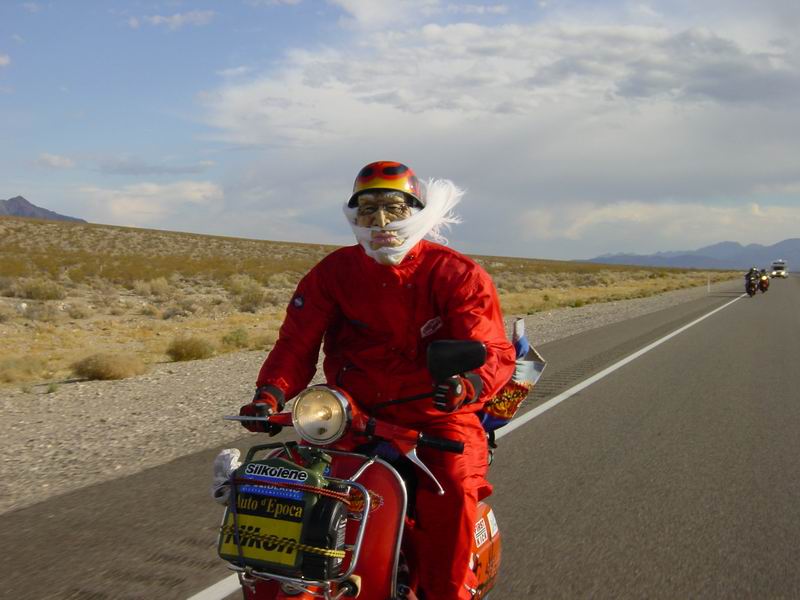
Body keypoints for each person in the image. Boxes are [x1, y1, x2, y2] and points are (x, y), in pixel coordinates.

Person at [239, 160, 516, 600]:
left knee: (453, 485)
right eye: (367, 209)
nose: (381, 221)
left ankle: (445, 593)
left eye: (393, 207)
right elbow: (296, 343)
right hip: (350, 414)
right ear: (354, 216)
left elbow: (491, 348)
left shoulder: (457, 274)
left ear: (417, 211)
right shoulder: (334, 273)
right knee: (292, 484)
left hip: (436, 416)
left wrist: (467, 384)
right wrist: (270, 393)